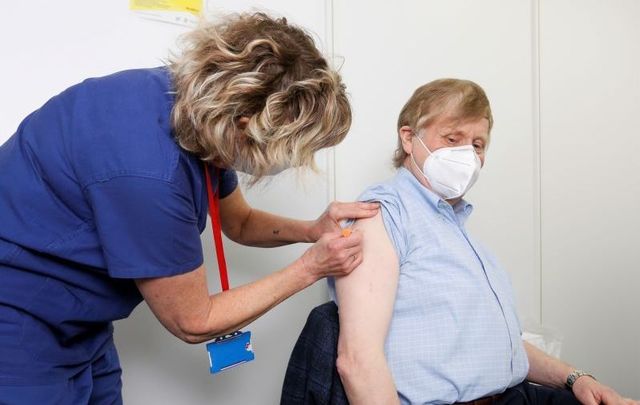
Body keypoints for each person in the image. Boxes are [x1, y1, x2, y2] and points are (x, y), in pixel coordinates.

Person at [0, 12, 379, 404]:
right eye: (298, 149)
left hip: (82, 323)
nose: (297, 162)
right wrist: (311, 267)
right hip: (17, 321)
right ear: (247, 125)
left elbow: (241, 223)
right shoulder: (149, 170)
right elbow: (194, 321)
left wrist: (311, 230)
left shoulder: (194, 110)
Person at [283, 79, 638, 405]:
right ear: (408, 138)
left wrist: (575, 378)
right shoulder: (383, 215)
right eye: (452, 139)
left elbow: (499, 348)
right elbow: (358, 361)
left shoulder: (455, 228)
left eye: (477, 144)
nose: (467, 155)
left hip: (514, 395)